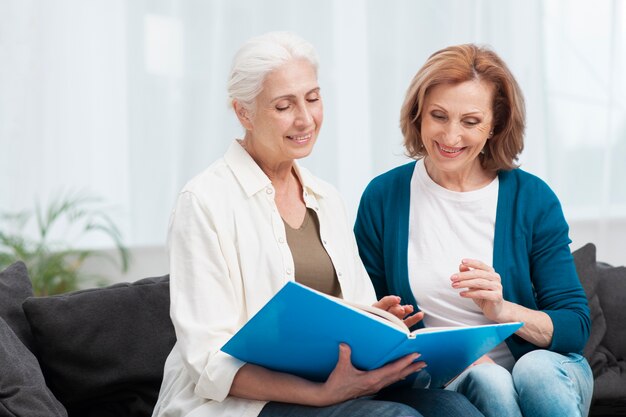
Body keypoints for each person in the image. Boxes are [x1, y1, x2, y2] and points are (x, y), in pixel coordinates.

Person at [151, 32, 483, 417]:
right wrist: (322, 395)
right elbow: (208, 361)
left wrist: (378, 321)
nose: (305, 118)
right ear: (244, 112)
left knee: (454, 408)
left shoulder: (325, 198)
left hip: (335, 387)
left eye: (312, 98)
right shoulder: (204, 202)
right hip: (242, 403)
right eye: (283, 105)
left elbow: (351, 309)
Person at [354, 43, 594, 417]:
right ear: (418, 115)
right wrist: (384, 319)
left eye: (469, 122)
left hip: (547, 370)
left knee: (534, 370)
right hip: (449, 378)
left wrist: (502, 310)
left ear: (494, 125)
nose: (451, 137)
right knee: (489, 379)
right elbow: (366, 315)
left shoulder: (532, 198)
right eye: (439, 116)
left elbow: (574, 326)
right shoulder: (383, 198)